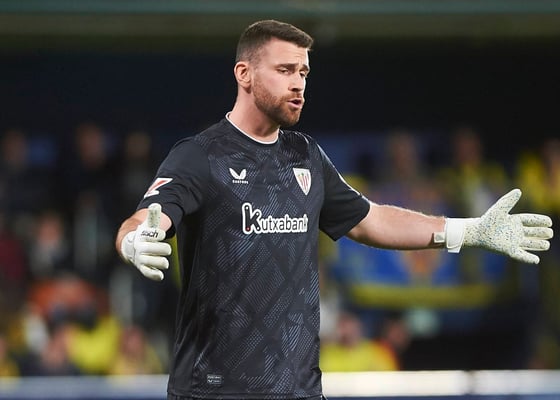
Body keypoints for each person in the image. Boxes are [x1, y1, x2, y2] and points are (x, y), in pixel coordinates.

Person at [115, 19, 553, 400]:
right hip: (214, 391)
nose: (298, 84)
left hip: (299, 390)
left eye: (304, 72)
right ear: (243, 74)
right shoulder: (199, 156)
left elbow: (372, 219)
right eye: (285, 70)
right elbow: (148, 217)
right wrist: (135, 240)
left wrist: (467, 231)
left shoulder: (306, 156)